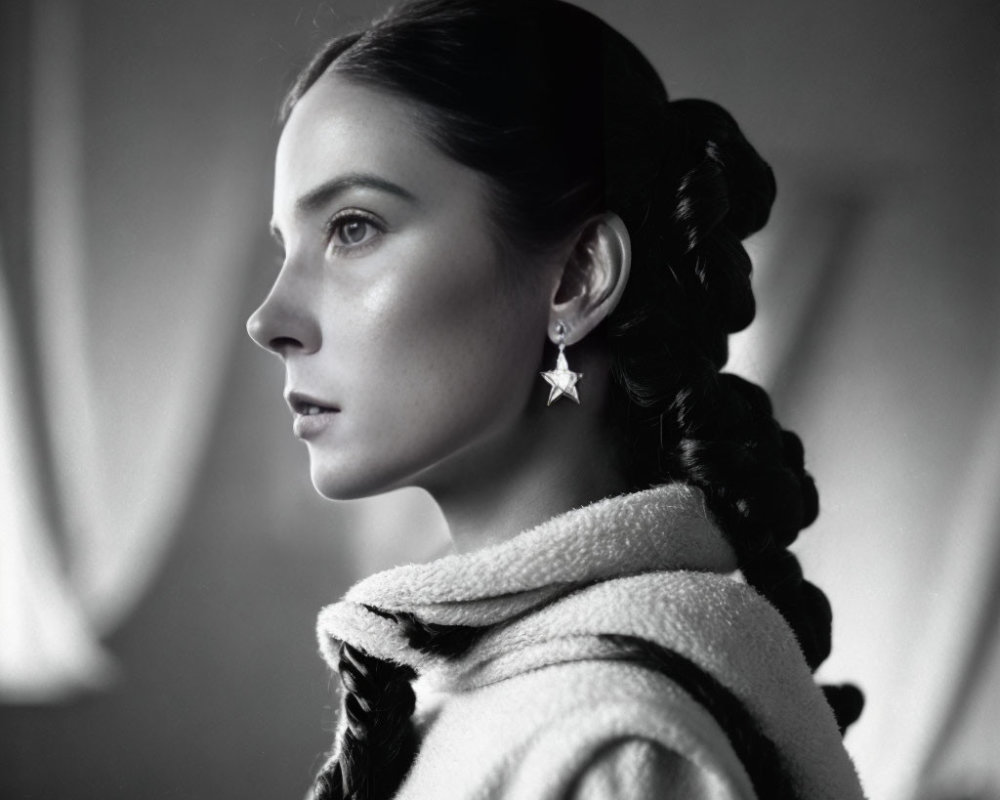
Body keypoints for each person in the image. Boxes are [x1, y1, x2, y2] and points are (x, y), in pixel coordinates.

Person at [246, 0, 866, 797]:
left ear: (576, 277)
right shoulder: (491, 683)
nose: (270, 320)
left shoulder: (613, 747)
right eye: (287, 247)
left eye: (354, 227)